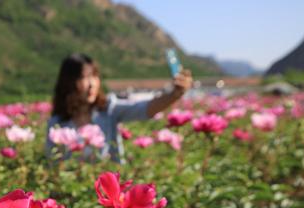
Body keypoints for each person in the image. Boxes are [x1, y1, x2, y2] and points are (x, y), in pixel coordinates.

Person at [46, 53, 193, 163]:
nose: (92, 84)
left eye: (95, 76)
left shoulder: (108, 109)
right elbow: (53, 165)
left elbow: (145, 108)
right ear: (68, 82)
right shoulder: (57, 124)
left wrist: (174, 94)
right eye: (84, 77)